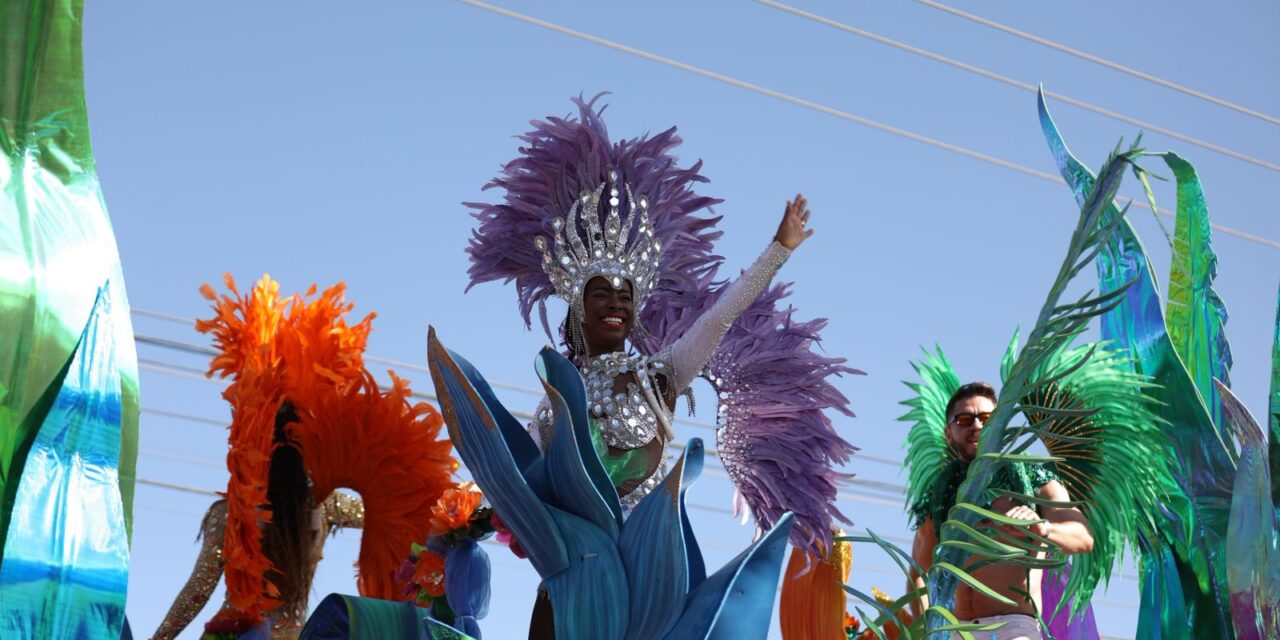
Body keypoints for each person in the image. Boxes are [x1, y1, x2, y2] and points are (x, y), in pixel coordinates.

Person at [149, 276, 456, 640]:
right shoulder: (324, 509)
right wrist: (462, 519)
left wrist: (160, 637)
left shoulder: (231, 514)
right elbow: (401, 510)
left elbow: (198, 590)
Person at [907, 382, 1094, 639]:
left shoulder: (1033, 478)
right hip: (958, 630)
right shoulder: (941, 495)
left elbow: (1083, 537)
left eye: (986, 418)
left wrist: (1043, 528)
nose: (976, 425)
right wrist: (929, 629)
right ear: (948, 433)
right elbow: (918, 572)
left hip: (1014, 628)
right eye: (964, 419)